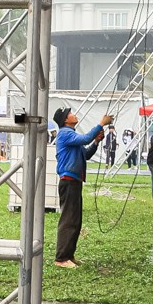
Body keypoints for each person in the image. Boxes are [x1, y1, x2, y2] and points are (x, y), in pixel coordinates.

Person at [52, 106, 112, 269]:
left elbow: (84, 154)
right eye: (70, 114)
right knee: (69, 220)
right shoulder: (65, 133)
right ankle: (62, 258)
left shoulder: (70, 136)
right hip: (69, 181)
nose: (74, 114)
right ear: (65, 120)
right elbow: (85, 139)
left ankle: (68, 255)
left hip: (74, 181)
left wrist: (96, 142)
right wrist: (101, 124)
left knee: (75, 221)